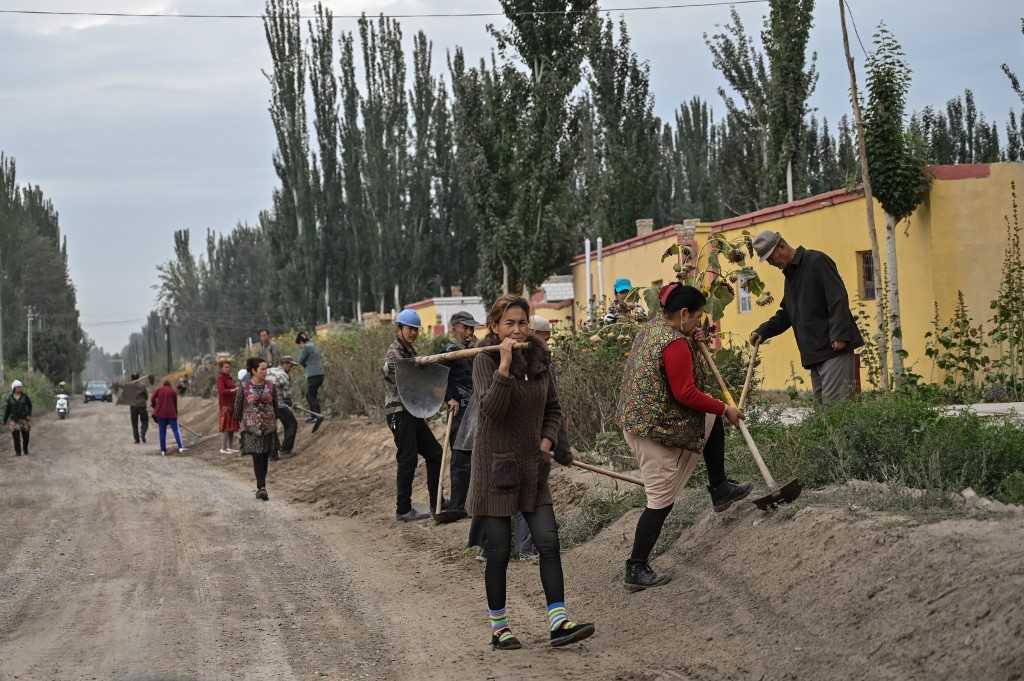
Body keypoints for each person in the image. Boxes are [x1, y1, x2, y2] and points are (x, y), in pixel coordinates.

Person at [469, 294, 594, 650]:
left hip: (532, 465)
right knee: (498, 550)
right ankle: (499, 628)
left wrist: (547, 442)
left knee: (548, 541)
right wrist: (504, 367)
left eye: (522, 322)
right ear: (495, 327)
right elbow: (489, 411)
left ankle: (558, 622)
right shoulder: (483, 360)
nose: (518, 329)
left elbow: (553, 408)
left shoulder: (540, 355)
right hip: (495, 467)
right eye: (509, 323)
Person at [617, 283, 752, 591]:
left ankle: (719, 489)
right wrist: (725, 407)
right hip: (652, 428)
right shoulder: (673, 342)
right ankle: (636, 567)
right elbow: (686, 392)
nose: (698, 323)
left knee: (709, 418)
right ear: (683, 313)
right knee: (661, 499)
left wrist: (691, 338)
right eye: (697, 317)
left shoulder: (653, 329)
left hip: (640, 420)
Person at [750, 231, 864, 404]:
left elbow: (837, 298)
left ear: (781, 246)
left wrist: (840, 335)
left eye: (772, 259)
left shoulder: (816, 261)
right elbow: (787, 314)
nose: (772, 264)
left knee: (836, 413)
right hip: (814, 355)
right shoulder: (790, 276)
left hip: (834, 350)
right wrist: (763, 331)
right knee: (823, 419)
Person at [383, 309, 443, 522]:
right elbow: (403, 375)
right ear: (399, 328)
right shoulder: (394, 353)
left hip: (413, 411)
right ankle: (403, 509)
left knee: (435, 454)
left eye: (416, 330)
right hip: (399, 412)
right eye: (410, 329)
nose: (413, 333)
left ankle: (437, 502)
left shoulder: (409, 351)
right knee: (407, 459)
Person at [431, 311, 483, 525]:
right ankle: (457, 504)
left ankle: (470, 502)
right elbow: (440, 379)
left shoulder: (472, 348)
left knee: (473, 454)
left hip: (474, 407)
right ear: (455, 327)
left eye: (472, 328)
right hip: (458, 408)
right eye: (466, 327)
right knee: (460, 455)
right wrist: (449, 398)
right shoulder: (449, 351)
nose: (470, 331)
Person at [234, 357, 279, 501]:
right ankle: (261, 486)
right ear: (254, 371)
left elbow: (276, 405)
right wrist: (239, 422)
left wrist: (275, 420)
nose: (265, 372)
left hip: (268, 427)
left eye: (266, 369)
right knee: (257, 456)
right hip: (251, 428)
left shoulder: (271, 386)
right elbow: (238, 406)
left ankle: (262, 485)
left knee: (265, 456)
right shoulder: (244, 387)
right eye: (262, 369)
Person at [267, 356, 299, 456]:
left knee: (271, 428)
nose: (291, 368)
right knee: (291, 424)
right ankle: (285, 450)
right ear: (284, 364)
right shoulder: (283, 375)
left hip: (264, 404)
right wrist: (291, 403)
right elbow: (286, 395)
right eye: (290, 365)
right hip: (278, 405)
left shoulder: (269, 370)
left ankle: (272, 454)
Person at [150, 379, 187, 456]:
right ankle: (180, 447)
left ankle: (163, 451)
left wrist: (154, 406)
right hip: (171, 414)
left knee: (162, 432)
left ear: (163, 385)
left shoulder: (159, 390)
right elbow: (174, 404)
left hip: (160, 414)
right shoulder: (173, 391)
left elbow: (152, 398)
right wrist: (175, 414)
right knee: (176, 430)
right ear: (169, 385)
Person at [296, 331, 324, 426]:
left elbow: (300, 360)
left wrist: (305, 365)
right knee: (313, 395)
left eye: (299, 344)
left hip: (313, 375)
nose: (300, 346)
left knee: (309, 395)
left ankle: (316, 416)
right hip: (320, 374)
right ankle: (316, 415)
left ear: (301, 341)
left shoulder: (306, 347)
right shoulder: (314, 345)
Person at [216, 357, 240, 454]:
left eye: (228, 367)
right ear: (221, 368)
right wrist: (233, 390)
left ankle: (230, 447)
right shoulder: (220, 378)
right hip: (225, 405)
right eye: (226, 367)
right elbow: (222, 391)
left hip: (232, 404)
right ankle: (223, 448)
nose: (228, 369)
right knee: (226, 427)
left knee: (232, 427)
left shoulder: (229, 378)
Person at [3, 380, 33, 456]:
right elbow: (7, 410)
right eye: (18, 387)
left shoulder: (25, 396)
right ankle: (18, 452)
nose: (20, 388)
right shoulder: (10, 398)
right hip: (14, 420)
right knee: (16, 437)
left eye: (20, 387)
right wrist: (5, 420)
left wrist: (29, 414)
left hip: (24, 419)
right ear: (14, 388)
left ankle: (25, 449)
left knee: (26, 436)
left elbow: (30, 406)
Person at [120, 374, 149, 445]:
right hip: (142, 406)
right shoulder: (143, 385)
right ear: (138, 378)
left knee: (134, 423)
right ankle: (143, 433)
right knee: (145, 421)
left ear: (131, 378)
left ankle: (137, 439)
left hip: (133, 407)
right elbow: (146, 396)